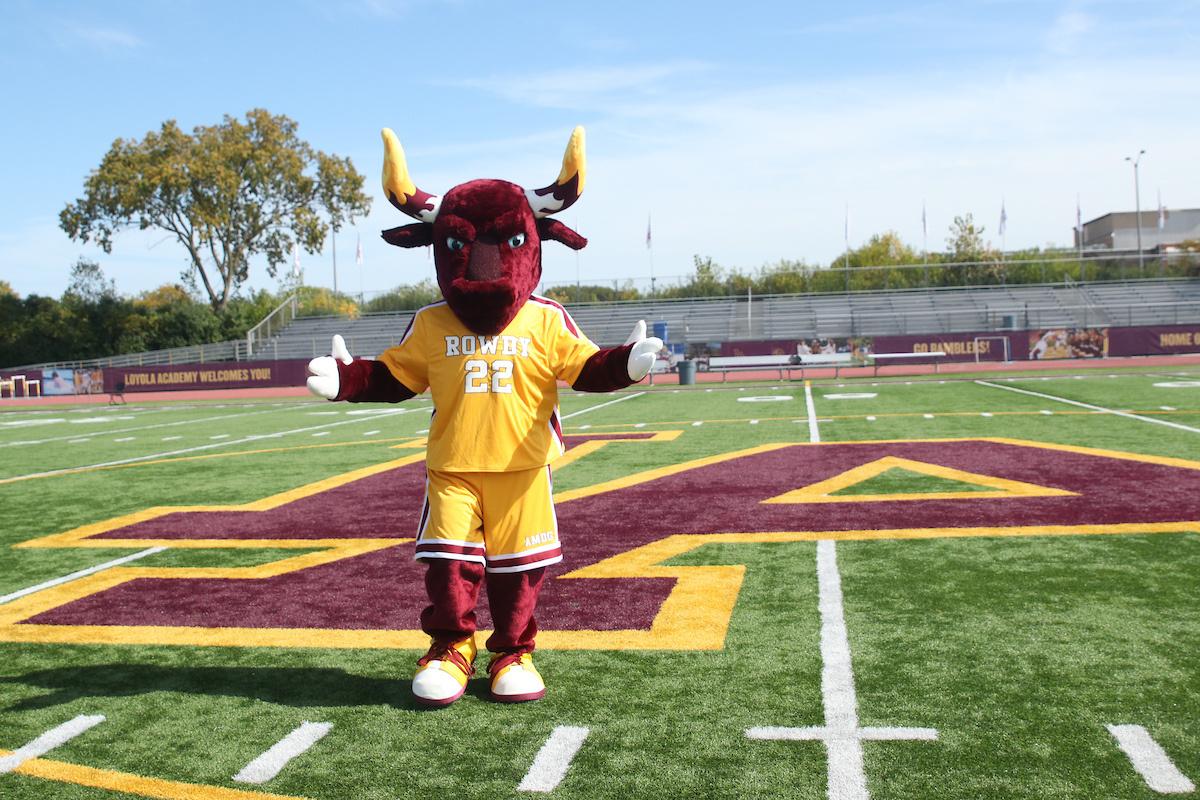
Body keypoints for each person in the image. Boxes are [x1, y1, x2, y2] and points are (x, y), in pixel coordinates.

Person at [307, 126, 661, 707]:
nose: (484, 263)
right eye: (459, 246)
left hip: (523, 468)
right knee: (448, 567)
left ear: (535, 243)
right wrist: (347, 381)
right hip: (453, 467)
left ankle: (513, 653)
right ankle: (451, 648)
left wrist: (626, 364)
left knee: (518, 570)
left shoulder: (546, 318)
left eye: (509, 242)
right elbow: (396, 376)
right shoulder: (431, 322)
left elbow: (585, 367)